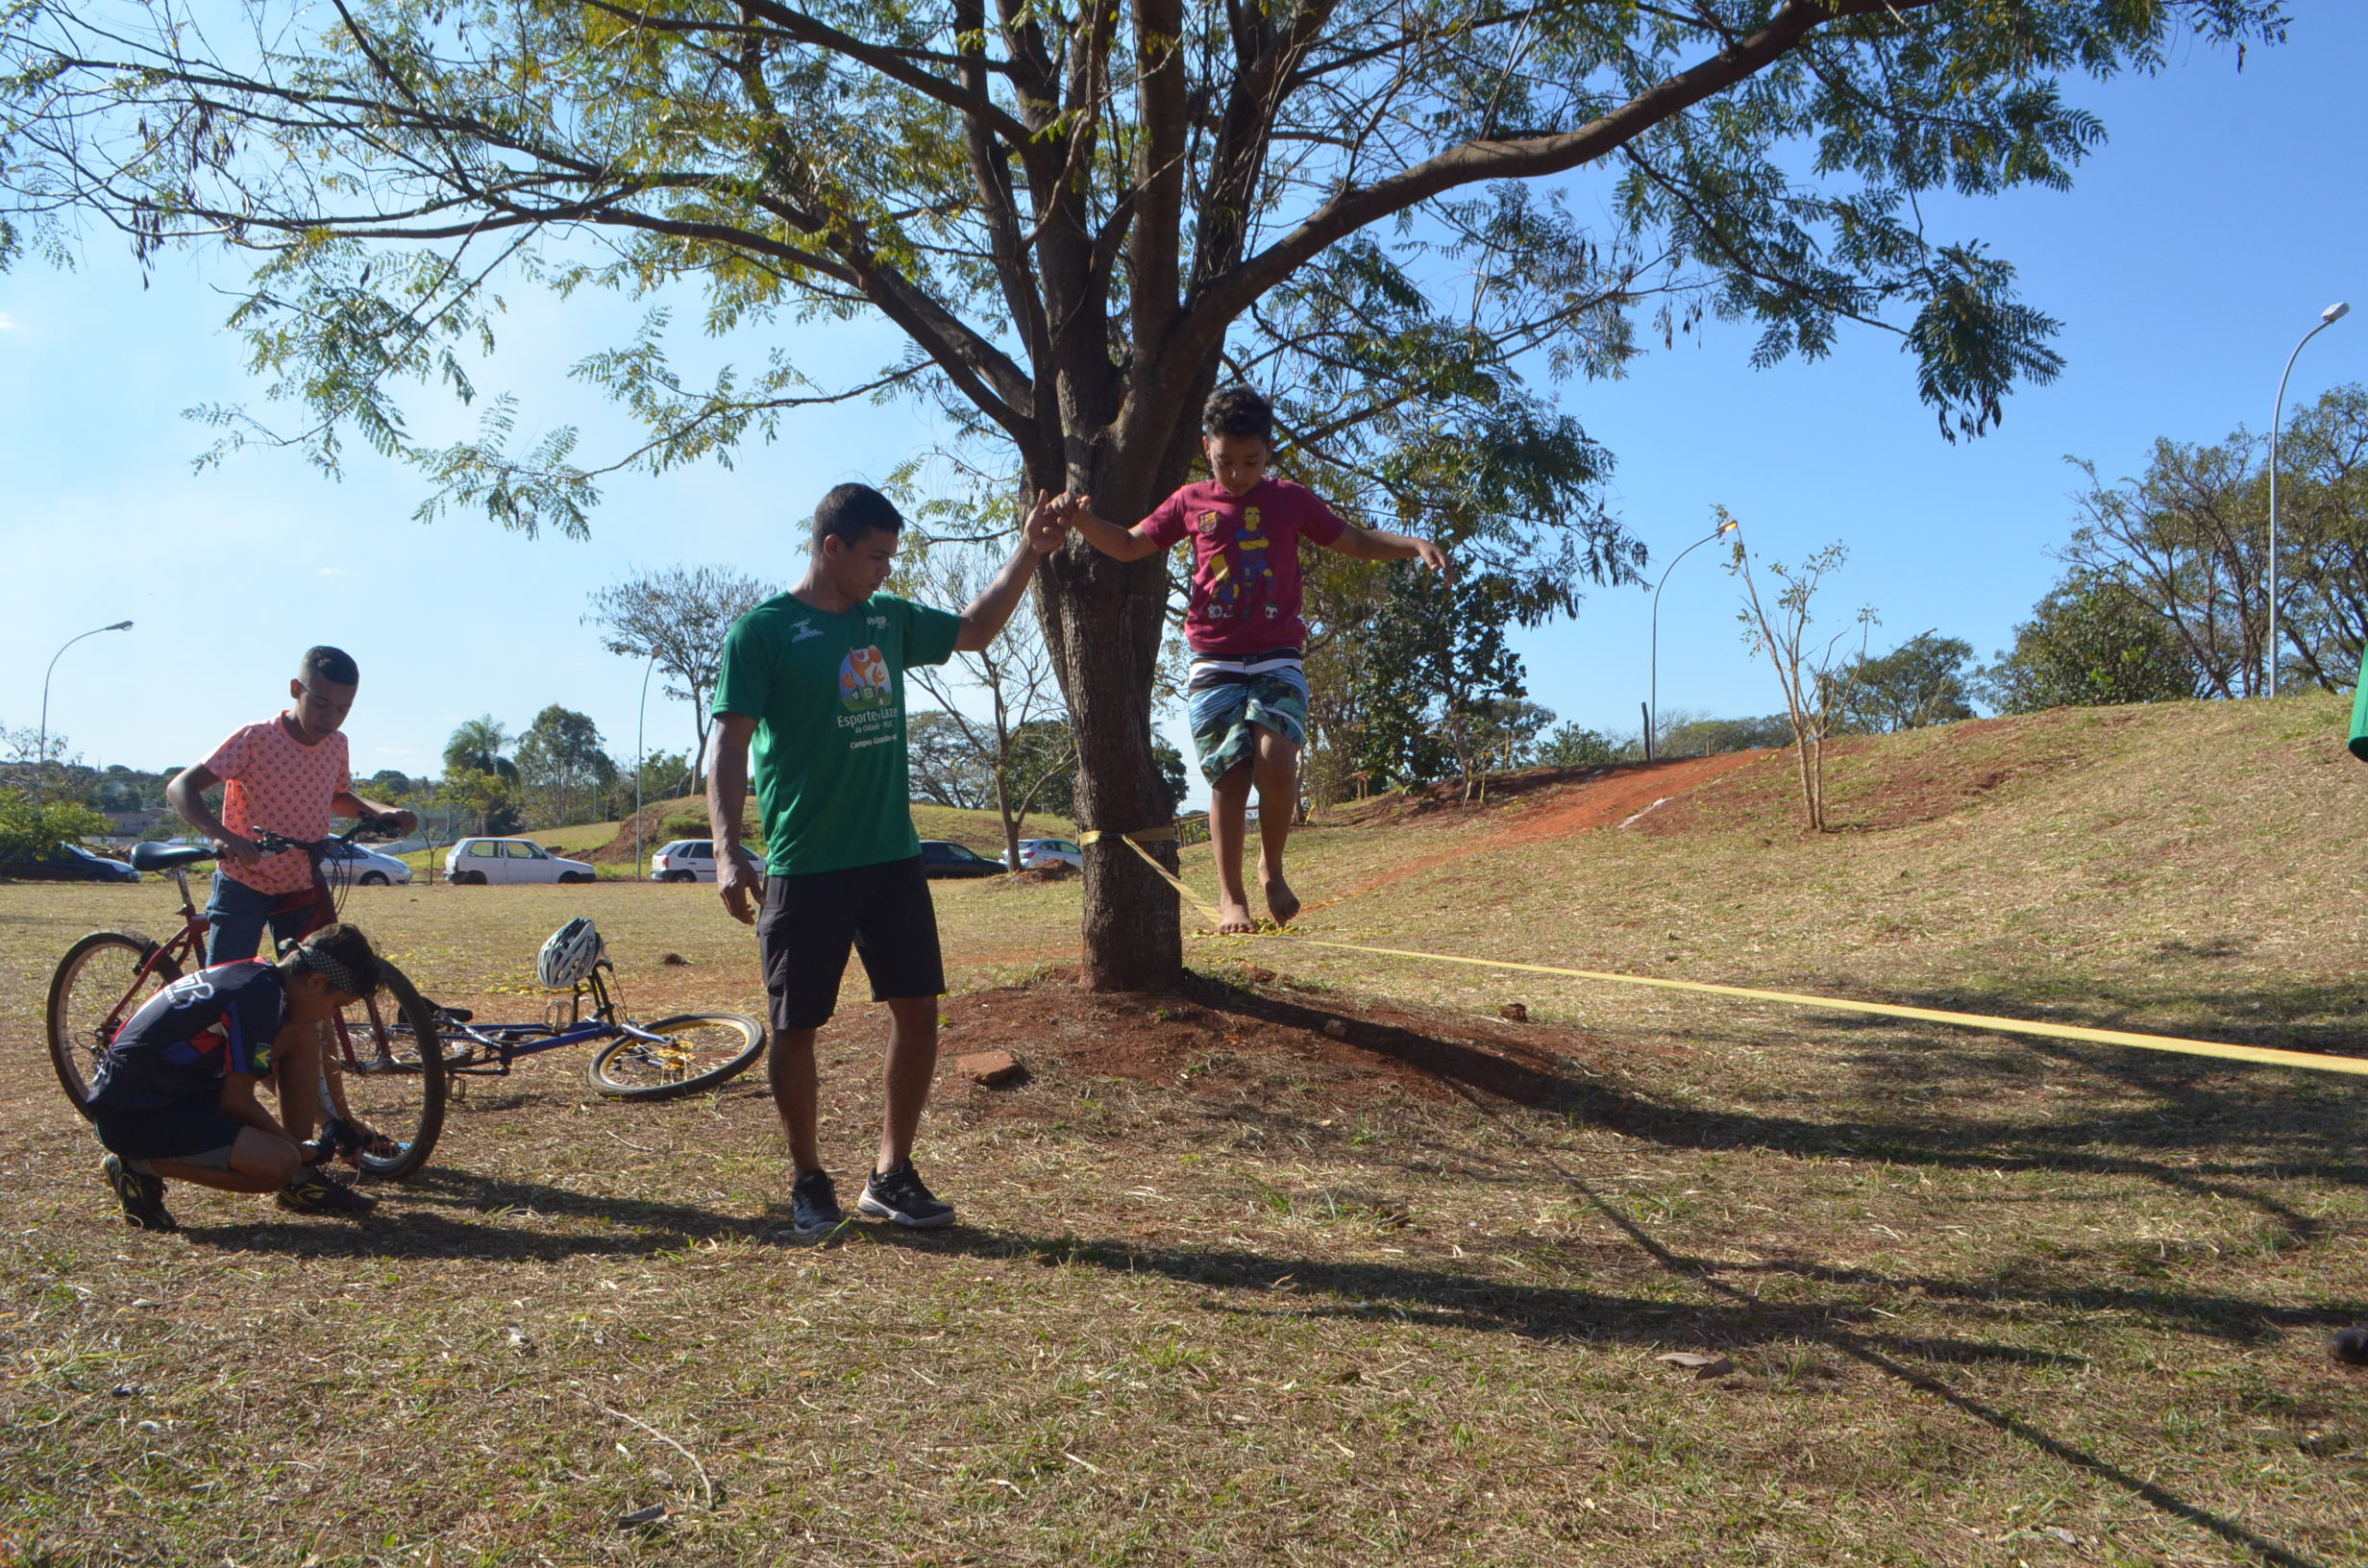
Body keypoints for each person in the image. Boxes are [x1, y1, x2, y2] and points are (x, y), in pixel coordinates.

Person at [709, 481, 1069, 1237]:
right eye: (875, 556)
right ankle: (809, 1180)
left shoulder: (887, 619)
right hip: (805, 864)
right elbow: (729, 745)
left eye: (890, 557)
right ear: (831, 547)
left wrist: (1029, 550)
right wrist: (727, 849)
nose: (885, 570)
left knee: (918, 1010)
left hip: (891, 859)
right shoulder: (763, 632)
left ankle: (891, 1174)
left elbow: (975, 629)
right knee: (796, 1026)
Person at [1059, 384, 1449, 933]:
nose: (1238, 474)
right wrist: (1080, 522)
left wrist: (1412, 544)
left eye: (1250, 461)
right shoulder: (1190, 501)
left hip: (1277, 655)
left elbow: (1354, 541)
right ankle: (1231, 897)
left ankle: (1272, 867)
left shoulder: (1290, 500)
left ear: (1269, 452)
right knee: (1230, 775)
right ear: (1206, 448)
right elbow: (1127, 544)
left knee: (1276, 757)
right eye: (1225, 461)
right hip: (1213, 660)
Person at [88, 923, 387, 1230]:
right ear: (316, 981)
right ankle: (136, 1164)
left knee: (302, 1034)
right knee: (279, 1163)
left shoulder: (262, 977)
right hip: (135, 1115)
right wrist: (301, 1151)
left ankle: (301, 1181)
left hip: (158, 1092)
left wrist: (329, 1123)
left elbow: (258, 1068)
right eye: (337, 1005)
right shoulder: (259, 1000)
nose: (331, 1015)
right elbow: (237, 1101)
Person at [164, 645, 419, 964]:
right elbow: (180, 787)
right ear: (296, 689)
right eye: (321, 704)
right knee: (229, 979)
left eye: (343, 709)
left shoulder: (337, 744)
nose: (331, 719)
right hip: (246, 879)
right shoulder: (256, 737)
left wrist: (380, 811)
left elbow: (336, 797)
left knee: (317, 973)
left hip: (301, 880)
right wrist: (223, 836)